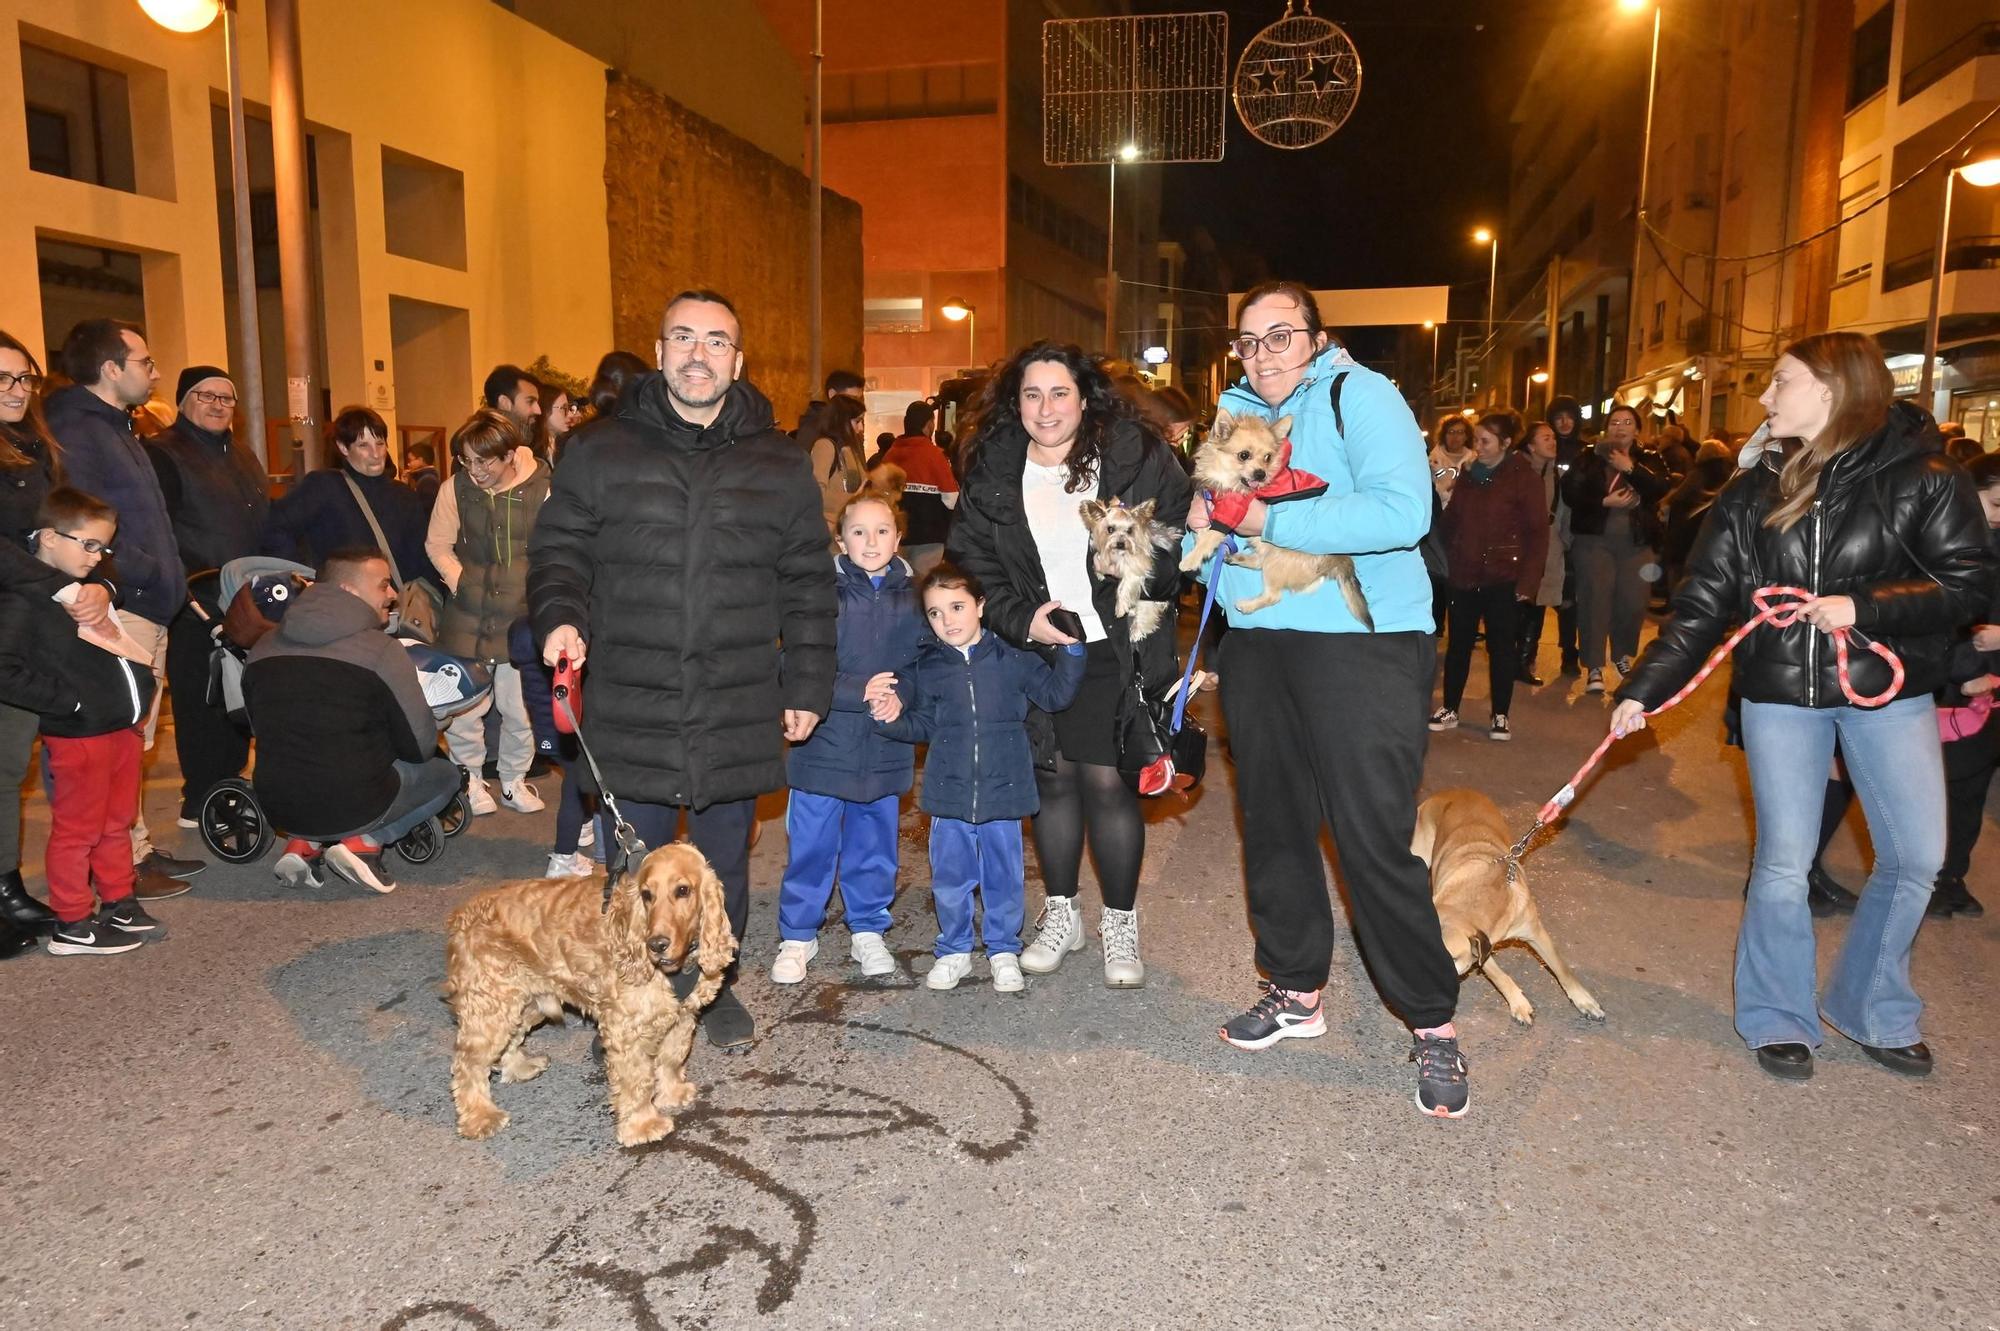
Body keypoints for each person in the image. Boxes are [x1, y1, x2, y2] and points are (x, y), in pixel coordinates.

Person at [1612, 332, 1994, 1082]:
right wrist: (1641, 690)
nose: (1764, 398)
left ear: (1831, 388)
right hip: (1784, 690)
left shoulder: (1926, 476)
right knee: (1785, 863)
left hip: (1888, 689)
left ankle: (1871, 1005)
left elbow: (1970, 585)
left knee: (1918, 855)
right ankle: (1777, 1014)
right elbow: (1700, 605)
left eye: (1779, 382)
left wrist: (1865, 605)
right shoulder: (1755, 490)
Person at [1187, 280, 1468, 1118]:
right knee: (1271, 823)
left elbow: (1401, 510)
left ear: (1315, 337)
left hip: (1364, 642)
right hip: (1262, 642)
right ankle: (1295, 987)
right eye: (1249, 340)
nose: (1263, 353)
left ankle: (1432, 1021)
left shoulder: (1361, 394)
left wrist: (1269, 525)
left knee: (1370, 834)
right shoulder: (1232, 411)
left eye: (1281, 336)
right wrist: (1214, 564)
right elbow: (1216, 523)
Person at [529, 288, 836, 1050]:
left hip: (735, 692)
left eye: (716, 341)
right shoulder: (600, 449)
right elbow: (559, 549)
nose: (699, 354)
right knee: (630, 865)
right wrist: (561, 613)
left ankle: (709, 984)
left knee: (723, 860)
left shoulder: (780, 460)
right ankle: (630, 997)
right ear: (661, 350)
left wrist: (806, 681)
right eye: (684, 338)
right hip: (632, 689)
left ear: (738, 358)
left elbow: (806, 580)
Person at [948, 341, 1191, 987]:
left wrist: (1138, 564)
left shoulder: (1134, 456)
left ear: (1084, 398)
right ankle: (1062, 914)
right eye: (1032, 394)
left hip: (1117, 643)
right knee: (1050, 781)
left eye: (1059, 393)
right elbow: (973, 558)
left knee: (1108, 784)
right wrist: (1017, 617)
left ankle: (1119, 923)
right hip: (1035, 646)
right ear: (1015, 402)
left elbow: (1179, 541)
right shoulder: (996, 467)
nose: (1046, 407)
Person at [46, 318, 202, 892]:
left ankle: (132, 850)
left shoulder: (116, 426)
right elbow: (85, 527)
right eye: (145, 362)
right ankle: (114, 863)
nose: (154, 372)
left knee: (133, 739)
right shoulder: (78, 430)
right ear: (111, 369)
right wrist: (144, 573)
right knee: (112, 741)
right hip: (120, 602)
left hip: (148, 602)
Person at [878, 564, 1086, 991]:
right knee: (951, 877)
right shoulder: (928, 669)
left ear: (980, 606)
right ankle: (953, 950)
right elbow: (921, 726)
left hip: (1004, 789)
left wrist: (1073, 652)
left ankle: (1003, 950)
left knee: (1004, 876)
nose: (947, 620)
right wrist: (888, 716)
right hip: (948, 792)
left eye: (957, 607)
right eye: (935, 613)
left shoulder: (1013, 658)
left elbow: (1054, 695)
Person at [771, 492, 926, 984]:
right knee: (812, 845)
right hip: (824, 742)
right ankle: (798, 934)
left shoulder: (918, 598)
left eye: (882, 530)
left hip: (885, 744)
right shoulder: (820, 594)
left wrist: (904, 696)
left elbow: (930, 664)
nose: (872, 541)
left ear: (899, 537)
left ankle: (868, 930)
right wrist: (857, 690)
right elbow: (793, 663)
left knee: (874, 845)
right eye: (859, 531)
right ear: (840, 540)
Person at [0, 488, 163, 955]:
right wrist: (69, 704)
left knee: (117, 822)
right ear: (49, 538)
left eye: (103, 548)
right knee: (79, 830)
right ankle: (72, 922)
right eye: (88, 545)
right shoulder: (25, 600)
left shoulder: (87, 590)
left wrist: (139, 696)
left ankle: (118, 901)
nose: (97, 558)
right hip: (80, 735)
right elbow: (5, 670)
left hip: (119, 728)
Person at [245, 546, 462, 894]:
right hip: (355, 803)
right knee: (446, 774)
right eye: (383, 585)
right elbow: (419, 746)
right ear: (348, 591)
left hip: (279, 805)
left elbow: (260, 729)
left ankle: (303, 846)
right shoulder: (381, 651)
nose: (393, 595)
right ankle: (364, 843)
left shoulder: (263, 646)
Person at [0, 329, 109, 950]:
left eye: (23, 378)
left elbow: (58, 533)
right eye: (4, 380)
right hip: (15, 617)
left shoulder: (33, 449)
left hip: (33, 617)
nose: (16, 391)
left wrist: (95, 583)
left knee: (10, 764)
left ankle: (9, 887)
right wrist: (63, 587)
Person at [148, 364, 271, 828]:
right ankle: (199, 797)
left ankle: (229, 784)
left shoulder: (241, 454)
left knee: (236, 693)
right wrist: (182, 586)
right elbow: (158, 530)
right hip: (195, 597)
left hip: (242, 595)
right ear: (183, 400)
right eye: (207, 396)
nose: (218, 405)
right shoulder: (162, 453)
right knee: (200, 698)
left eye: (227, 398)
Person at [427, 410, 550, 817]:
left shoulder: (543, 488)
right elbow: (437, 545)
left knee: (521, 707)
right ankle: (471, 780)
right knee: (466, 706)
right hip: (467, 613)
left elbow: (557, 548)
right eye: (466, 460)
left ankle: (513, 780)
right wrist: (460, 580)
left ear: (511, 454)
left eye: (485, 461)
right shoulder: (453, 489)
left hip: (522, 613)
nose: (475, 470)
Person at [1430, 411, 1548, 740]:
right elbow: (1452, 521)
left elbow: (1538, 534)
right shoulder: (1468, 474)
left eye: (1484, 441)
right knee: (1458, 644)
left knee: (1501, 647)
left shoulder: (1523, 478)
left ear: (1506, 443)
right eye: (1476, 440)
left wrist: (1528, 582)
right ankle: (1450, 707)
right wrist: (1441, 553)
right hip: (1464, 572)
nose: (1477, 446)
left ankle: (1500, 714)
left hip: (1503, 575)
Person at [1931, 451, 2000, 918]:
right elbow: (1932, 618)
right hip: (1951, 686)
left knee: (1972, 787)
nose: (1999, 517)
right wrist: (1967, 669)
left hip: (1991, 687)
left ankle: (1952, 874)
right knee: (1938, 785)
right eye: (1995, 504)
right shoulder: (1941, 540)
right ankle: (1926, 875)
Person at [261, 406, 439, 587]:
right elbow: (276, 527)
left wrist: (423, 595)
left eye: (380, 443)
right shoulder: (323, 487)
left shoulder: (405, 496)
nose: (376, 454)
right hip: (341, 605)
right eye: (363, 445)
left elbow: (421, 557)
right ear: (343, 448)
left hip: (396, 605)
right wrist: (298, 580)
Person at [1563, 402, 1670, 694]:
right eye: (1614, 422)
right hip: (1594, 541)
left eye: (1626, 423)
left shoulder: (1649, 457)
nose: (1619, 428)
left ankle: (1623, 656)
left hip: (1636, 542)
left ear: (1637, 429)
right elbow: (1571, 490)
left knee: (1633, 602)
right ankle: (1594, 665)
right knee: (1595, 601)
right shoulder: (1588, 456)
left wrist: (1631, 469)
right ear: (1606, 427)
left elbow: (1660, 486)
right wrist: (1601, 501)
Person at [1514, 419, 1569, 688]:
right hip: (1519, 548)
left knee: (1536, 606)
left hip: (1548, 547)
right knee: (1517, 606)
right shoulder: (1516, 472)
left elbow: (1561, 512)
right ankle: (1511, 659)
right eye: (1545, 437)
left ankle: (1524, 661)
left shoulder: (1555, 474)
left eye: (1553, 437)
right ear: (1531, 445)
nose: (1552, 441)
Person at [878, 401, 959, 575]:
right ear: (929, 424)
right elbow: (952, 498)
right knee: (923, 587)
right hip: (929, 537)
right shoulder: (934, 455)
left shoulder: (890, 454)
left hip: (896, 537)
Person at [804, 394, 868, 536]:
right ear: (842, 421)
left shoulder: (850, 449)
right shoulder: (825, 446)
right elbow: (815, 492)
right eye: (857, 421)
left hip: (847, 528)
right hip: (830, 531)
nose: (860, 428)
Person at [483, 364, 542, 438]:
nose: (538, 411)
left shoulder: (518, 440)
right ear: (505, 403)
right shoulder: (488, 445)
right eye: (530, 401)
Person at [402, 441, 442, 511]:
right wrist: (405, 485)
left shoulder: (428, 480)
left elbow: (424, 509)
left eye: (410, 460)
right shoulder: (422, 478)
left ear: (421, 460)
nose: (409, 464)